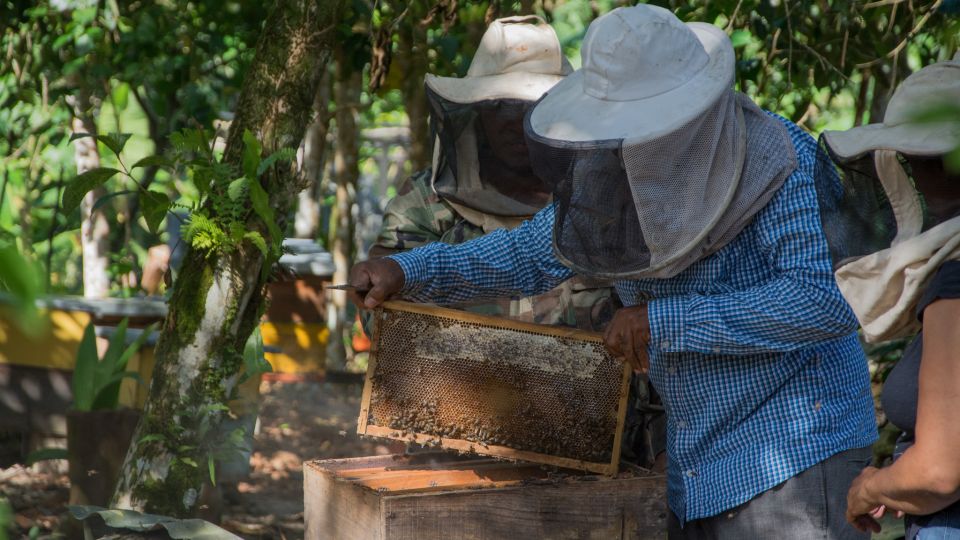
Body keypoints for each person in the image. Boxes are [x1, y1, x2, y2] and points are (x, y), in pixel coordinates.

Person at [351, 5, 877, 538]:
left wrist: (663, 321)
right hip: (696, 464)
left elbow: (827, 300)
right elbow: (528, 253)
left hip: (795, 455)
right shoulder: (614, 168)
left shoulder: (783, 162)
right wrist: (408, 269)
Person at [369, 15, 665, 468]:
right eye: (499, 106)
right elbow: (386, 327)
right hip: (459, 449)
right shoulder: (425, 204)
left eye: (529, 105)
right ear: (475, 114)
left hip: (608, 444)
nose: (514, 120)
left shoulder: (606, 201)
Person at [816, 54, 960, 539]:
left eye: (926, 159)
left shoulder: (955, 284)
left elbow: (939, 472)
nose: (920, 172)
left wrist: (872, 488)